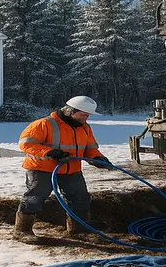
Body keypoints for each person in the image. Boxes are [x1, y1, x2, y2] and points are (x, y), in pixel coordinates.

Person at [13, 96, 113, 242]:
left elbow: (90, 148)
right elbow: (26, 144)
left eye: (87, 115)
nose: (86, 118)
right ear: (71, 111)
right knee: (34, 198)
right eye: (83, 114)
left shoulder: (85, 127)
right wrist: (51, 152)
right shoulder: (45, 124)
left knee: (80, 199)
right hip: (42, 169)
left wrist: (97, 159)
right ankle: (22, 231)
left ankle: (79, 231)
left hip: (71, 170)